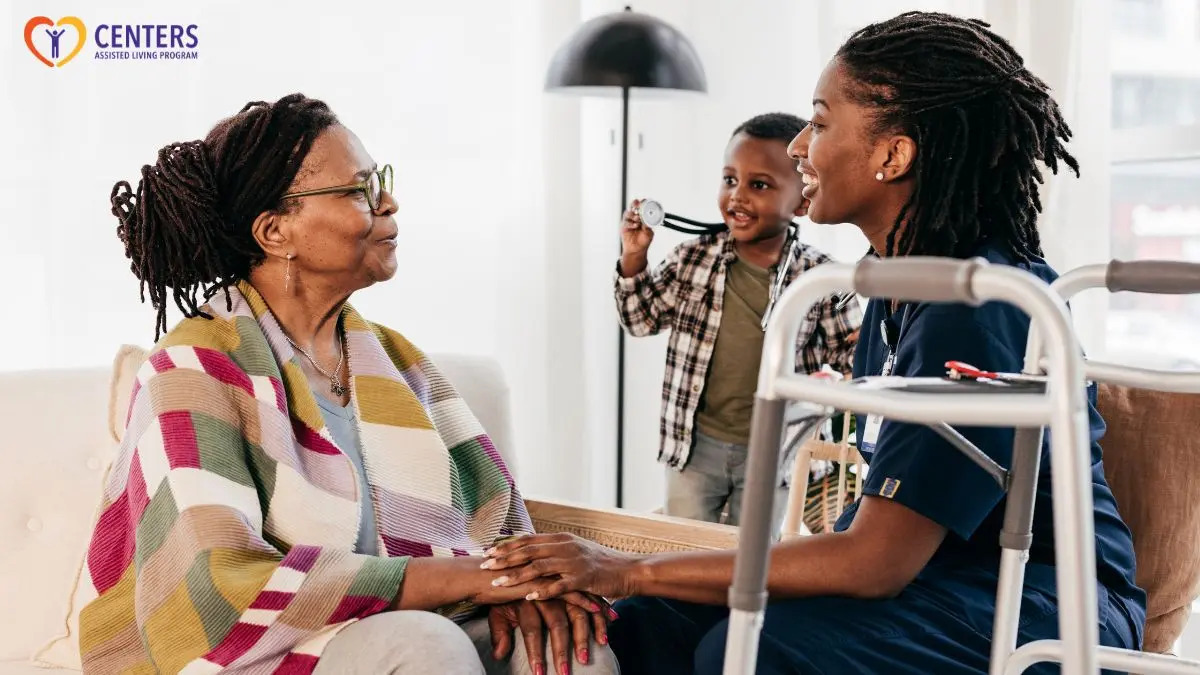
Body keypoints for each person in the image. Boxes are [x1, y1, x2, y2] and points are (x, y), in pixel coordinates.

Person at [480, 12, 1146, 674]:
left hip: (1050, 601)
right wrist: (622, 584)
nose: (800, 146)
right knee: (647, 625)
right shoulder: (895, 284)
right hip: (934, 585)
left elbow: (875, 561)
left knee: (745, 647)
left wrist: (628, 568)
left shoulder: (982, 305)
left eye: (821, 122)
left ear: (894, 155)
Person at [77, 93, 619, 675]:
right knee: (423, 645)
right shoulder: (190, 369)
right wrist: (475, 578)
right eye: (357, 189)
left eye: (377, 180)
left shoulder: (395, 360)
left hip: (408, 625)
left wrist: (526, 588)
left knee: (571, 653)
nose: (388, 201)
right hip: (254, 651)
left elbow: (499, 523)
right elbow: (214, 588)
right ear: (275, 231)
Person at [614, 112, 862, 534]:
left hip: (776, 453)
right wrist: (634, 256)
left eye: (759, 185)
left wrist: (832, 385)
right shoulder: (694, 258)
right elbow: (641, 320)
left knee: (755, 559)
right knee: (685, 550)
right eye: (730, 180)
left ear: (802, 201)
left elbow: (854, 360)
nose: (738, 196)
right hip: (694, 447)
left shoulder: (821, 279)